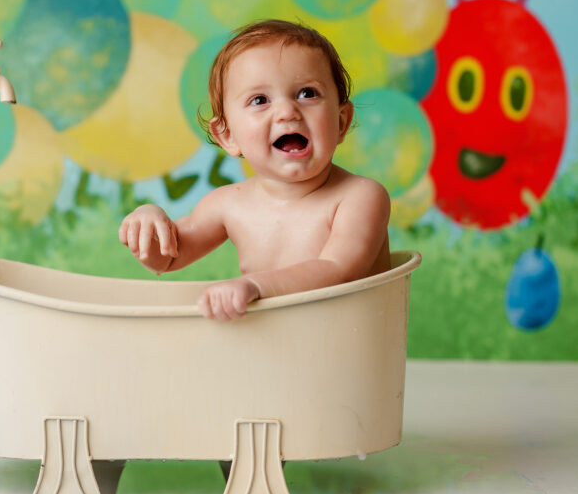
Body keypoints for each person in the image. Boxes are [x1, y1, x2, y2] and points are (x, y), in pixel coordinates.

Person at [119, 19, 392, 320]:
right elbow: (168, 258)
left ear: (341, 122)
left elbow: (339, 269)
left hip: (348, 353)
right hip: (270, 352)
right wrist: (149, 223)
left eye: (307, 94)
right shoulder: (228, 204)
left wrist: (255, 285)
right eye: (260, 100)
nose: (288, 111)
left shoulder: (360, 197)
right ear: (228, 136)